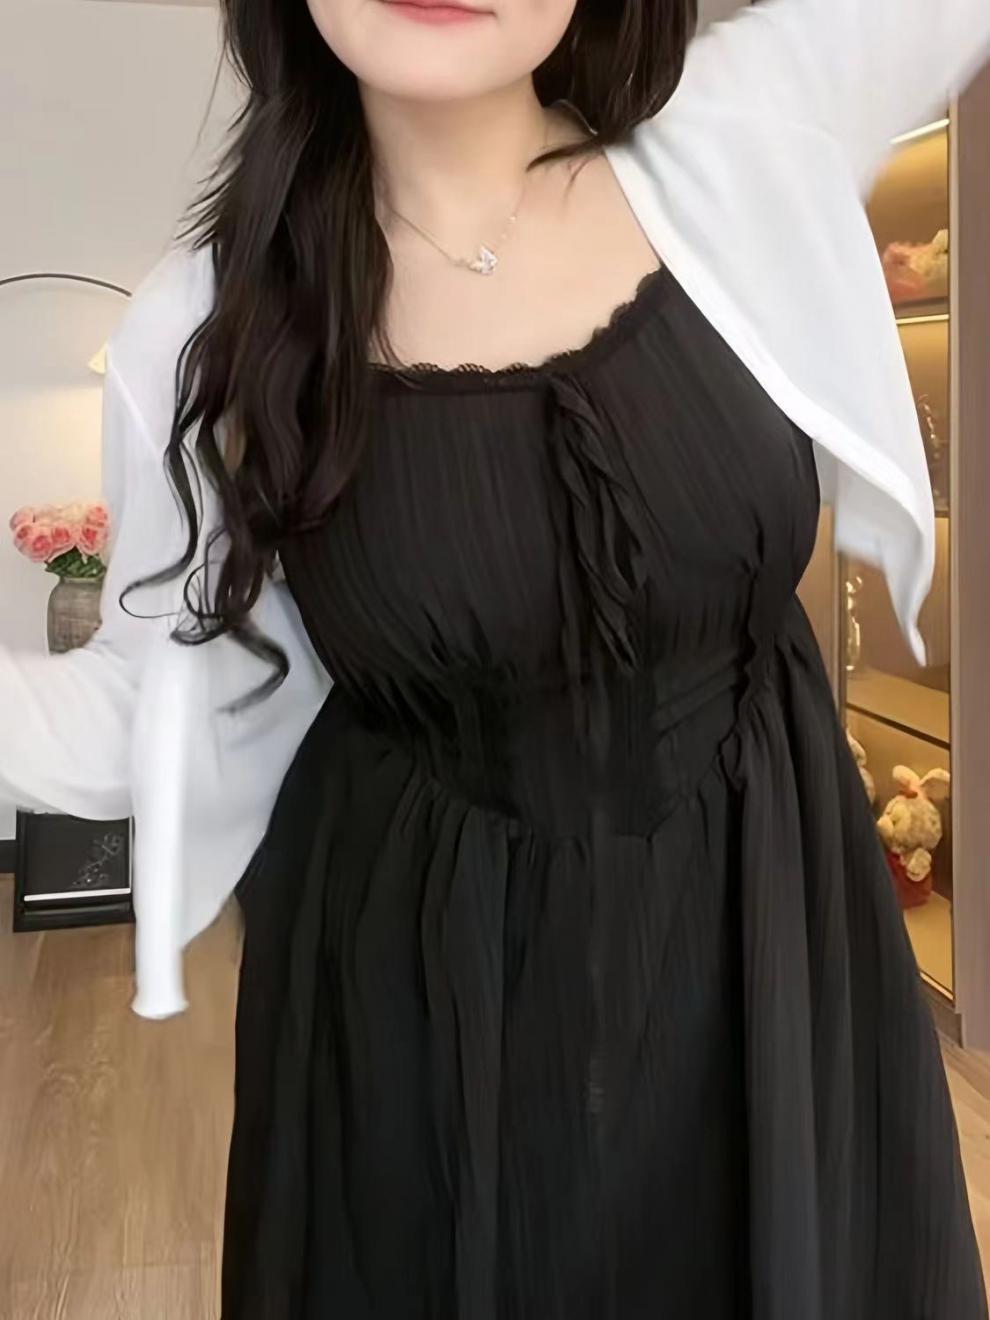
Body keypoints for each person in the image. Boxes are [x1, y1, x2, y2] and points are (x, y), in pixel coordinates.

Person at [3, 0, 990, 1314]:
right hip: (428, 1023)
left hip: (773, 951)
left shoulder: (741, 133)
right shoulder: (209, 323)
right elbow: (148, 698)